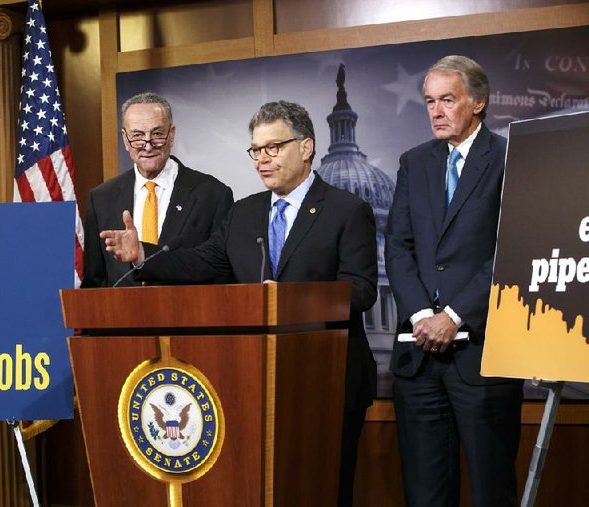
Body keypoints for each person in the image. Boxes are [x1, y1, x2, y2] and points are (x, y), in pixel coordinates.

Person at [101, 100, 377, 506]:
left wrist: (286, 301)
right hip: (255, 381)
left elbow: (362, 289)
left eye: (274, 147)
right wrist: (143, 254)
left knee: (324, 492)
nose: (262, 160)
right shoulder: (245, 213)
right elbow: (201, 262)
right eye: (256, 150)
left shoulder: (347, 210)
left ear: (305, 147)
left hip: (328, 379)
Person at [385, 55, 523, 506]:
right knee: (425, 495)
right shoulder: (413, 162)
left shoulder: (510, 158)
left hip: (483, 355)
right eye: (429, 101)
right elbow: (398, 247)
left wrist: (455, 316)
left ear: (478, 102)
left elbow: (512, 251)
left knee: (490, 490)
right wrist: (425, 316)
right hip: (419, 356)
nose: (436, 111)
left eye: (447, 99)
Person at [81, 92, 233, 287]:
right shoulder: (101, 198)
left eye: (157, 134)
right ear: (125, 140)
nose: (148, 145)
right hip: (121, 315)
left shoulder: (212, 195)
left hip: (189, 314)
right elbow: (95, 281)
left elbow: (220, 273)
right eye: (137, 136)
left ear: (171, 135)